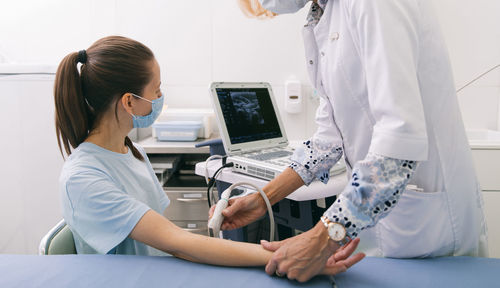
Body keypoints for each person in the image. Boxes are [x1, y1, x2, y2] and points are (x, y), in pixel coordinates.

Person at [219, 0, 489, 281]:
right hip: (385, 225)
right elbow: (329, 138)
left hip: (430, 232)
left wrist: (321, 239)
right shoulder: (327, 13)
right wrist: (264, 199)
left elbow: (399, 139)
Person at [54, 35, 363, 278]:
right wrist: (285, 253)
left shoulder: (130, 152)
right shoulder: (84, 177)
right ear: (129, 102)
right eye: (156, 90)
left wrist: (290, 249)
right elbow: (177, 241)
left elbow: (173, 244)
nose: (160, 98)